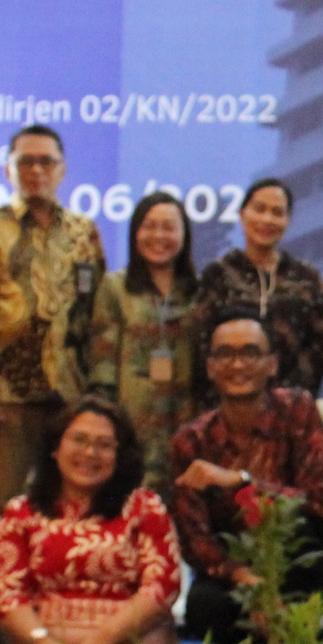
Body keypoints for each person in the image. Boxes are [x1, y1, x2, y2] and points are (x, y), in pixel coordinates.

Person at [0, 397, 185, 644]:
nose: (90, 453)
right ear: (55, 448)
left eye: (104, 445)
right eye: (79, 440)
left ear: (120, 455)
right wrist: (42, 641)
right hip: (41, 641)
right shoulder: (22, 511)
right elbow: (6, 591)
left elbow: (162, 585)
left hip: (131, 637)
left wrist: (104, 638)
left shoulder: (144, 507)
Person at [0, 123, 104, 511]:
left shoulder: (83, 231)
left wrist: (96, 389)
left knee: (67, 502)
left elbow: (94, 312)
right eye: (26, 162)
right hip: (7, 395)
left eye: (46, 162)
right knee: (2, 503)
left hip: (70, 393)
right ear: (9, 170)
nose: (36, 171)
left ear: (62, 170)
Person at [168, 315, 323, 644]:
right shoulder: (191, 441)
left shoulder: (298, 409)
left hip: (294, 558)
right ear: (210, 368)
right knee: (202, 604)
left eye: (250, 353)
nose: (237, 364)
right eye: (225, 354)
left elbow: (320, 501)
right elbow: (195, 540)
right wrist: (246, 579)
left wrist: (242, 482)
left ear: (272, 363)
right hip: (235, 572)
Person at [189, 177, 323, 406]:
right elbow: (201, 345)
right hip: (226, 407)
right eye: (259, 209)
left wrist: (291, 400)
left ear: (288, 220)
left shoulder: (307, 278)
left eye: (277, 212)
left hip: (289, 409)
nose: (267, 219)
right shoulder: (218, 275)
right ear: (242, 214)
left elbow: (320, 347)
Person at [90, 190, 201, 459]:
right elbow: (103, 364)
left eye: (169, 228)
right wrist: (106, 419)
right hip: (132, 419)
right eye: (149, 226)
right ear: (135, 233)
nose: (158, 236)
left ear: (184, 235)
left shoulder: (199, 290)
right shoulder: (116, 287)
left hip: (187, 417)